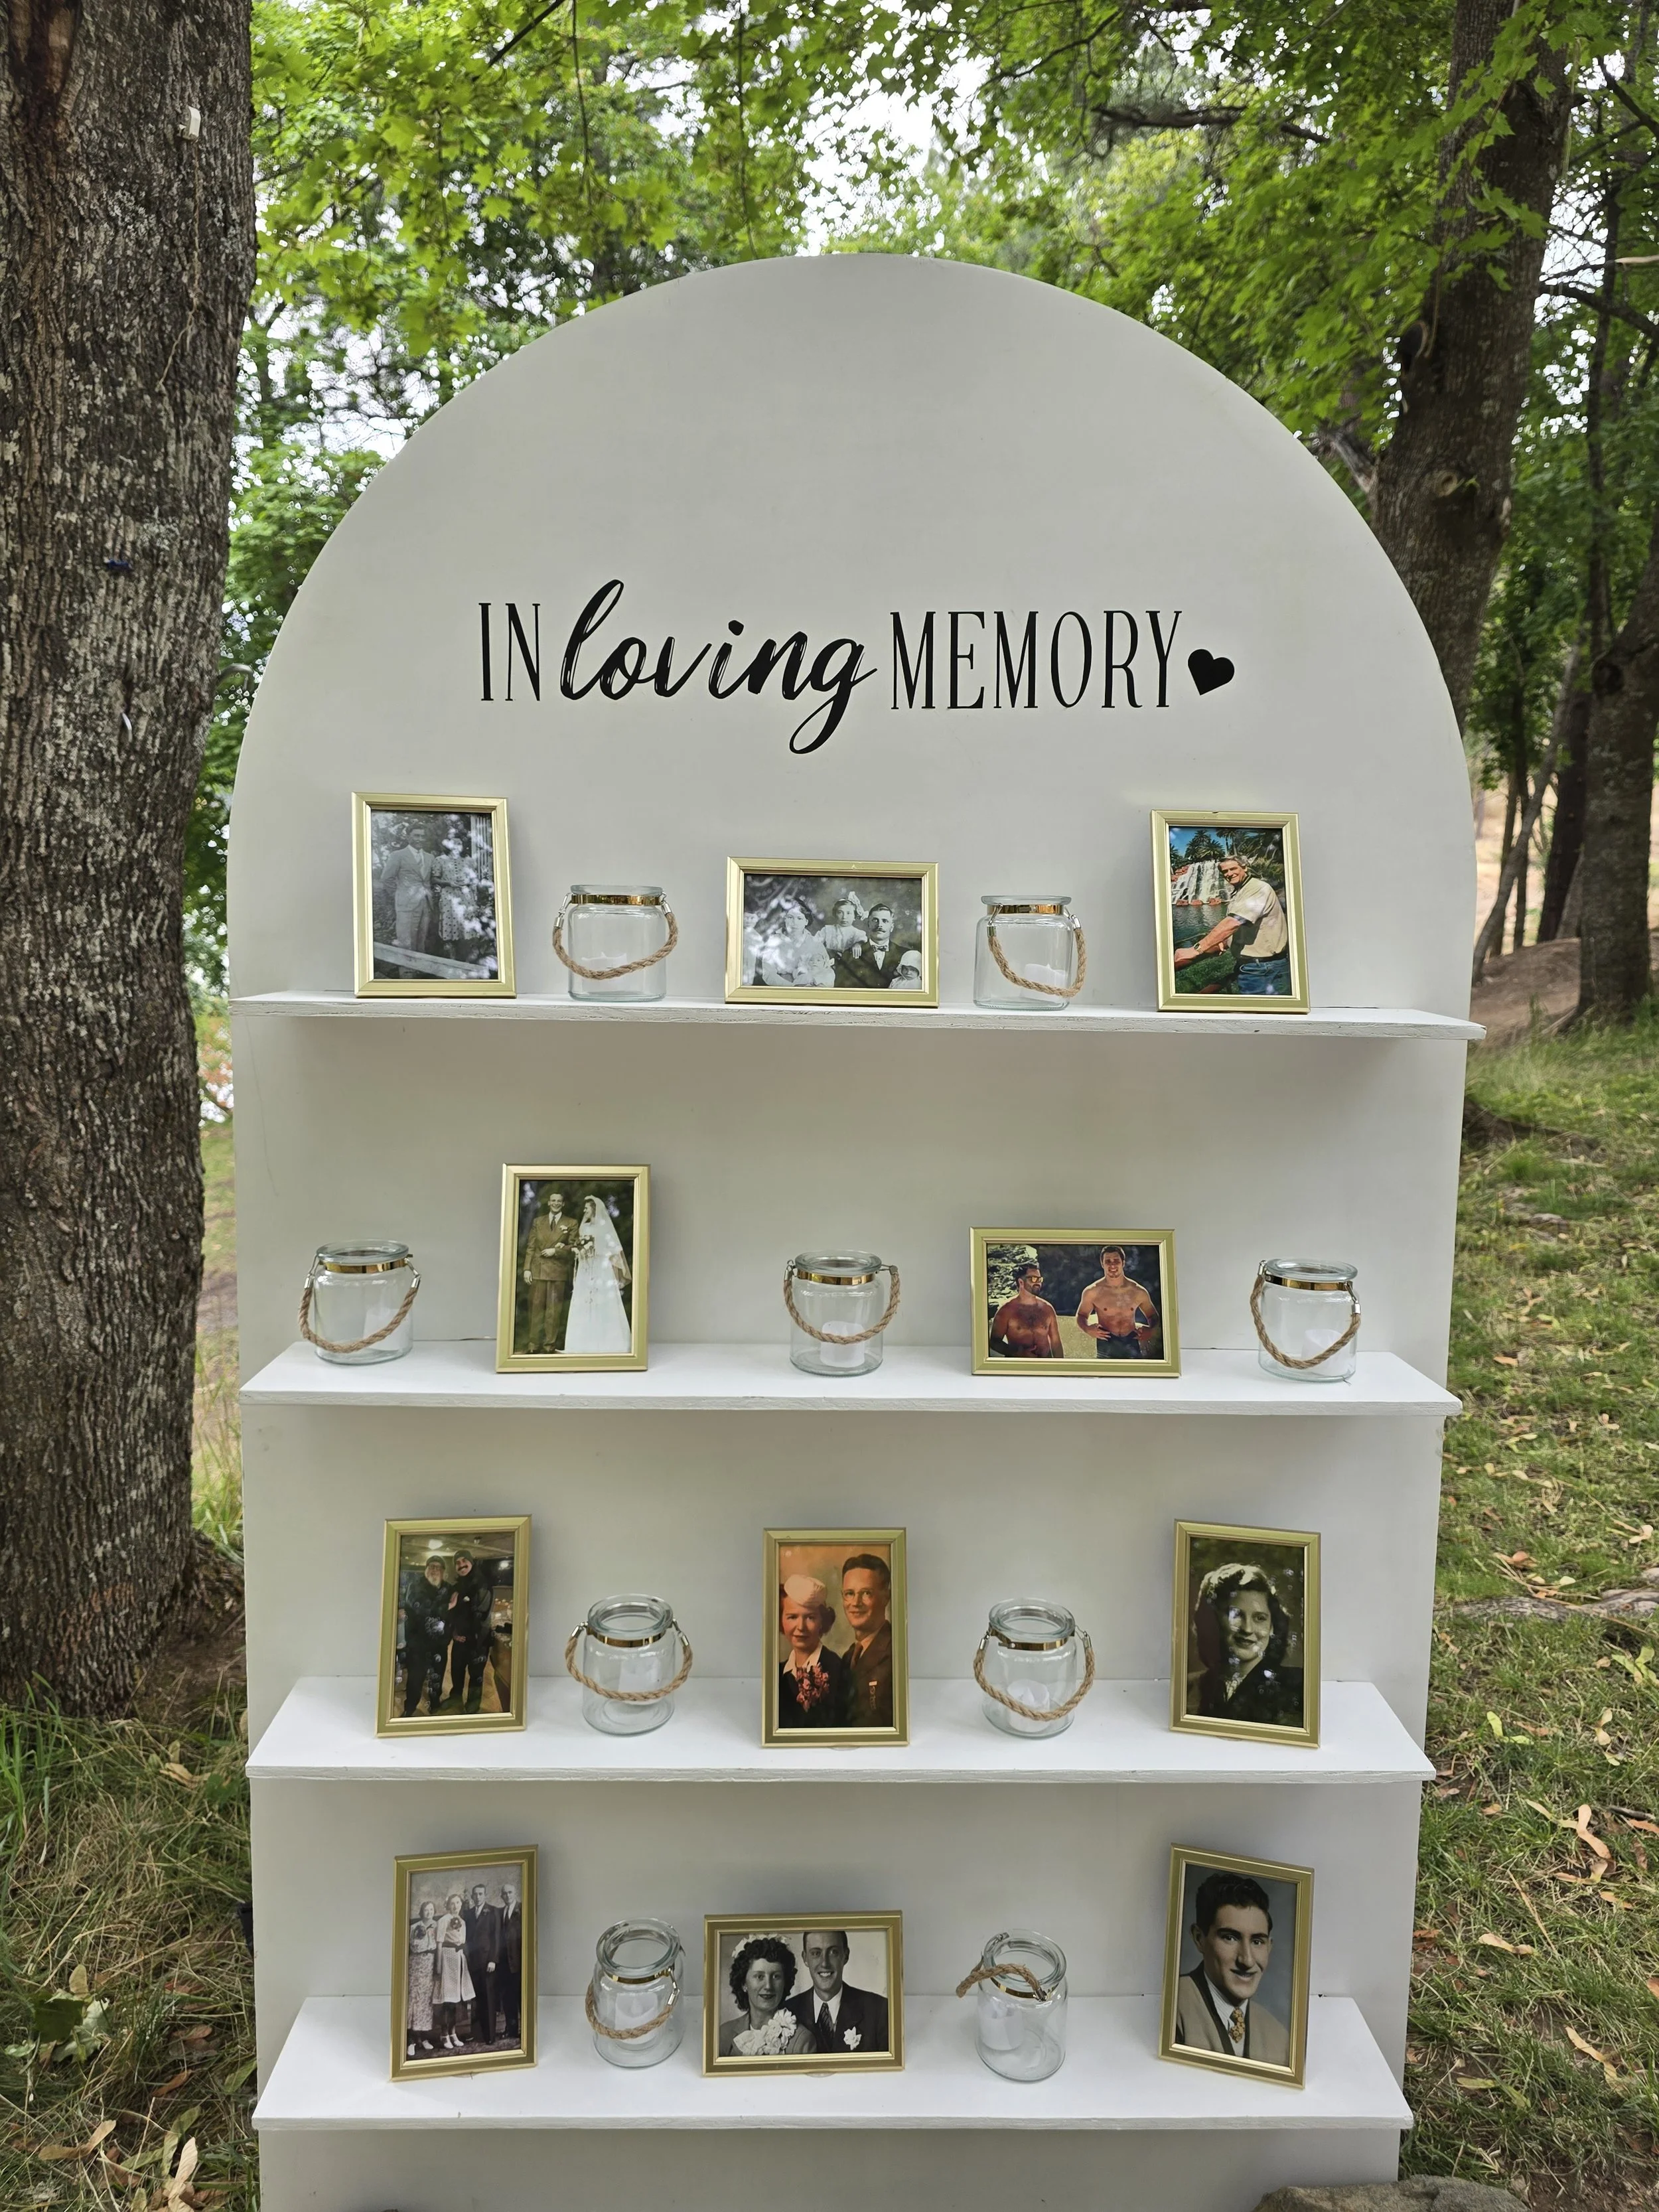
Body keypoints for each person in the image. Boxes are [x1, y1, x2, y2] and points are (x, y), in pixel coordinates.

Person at [1173, 1870, 1290, 2065]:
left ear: (1269, 1947)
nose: (1247, 1960)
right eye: (1230, 1938)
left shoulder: (1280, 2037)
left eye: (1257, 1942)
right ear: (1199, 1939)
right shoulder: (1174, 2006)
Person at [1189, 1564, 1304, 1728]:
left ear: (1272, 1627)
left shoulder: (1300, 1687)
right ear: (1214, 1620)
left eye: (1260, 1618)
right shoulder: (1187, 1688)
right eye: (1236, 1615)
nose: (1247, 1629)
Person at [1172, 851, 1290, 996]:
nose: (1229, 874)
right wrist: (1225, 941)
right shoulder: (1242, 891)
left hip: (1263, 970)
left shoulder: (1258, 888)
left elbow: (1234, 922)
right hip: (1255, 967)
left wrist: (1196, 950)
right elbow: (1246, 925)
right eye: (1225, 871)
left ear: (1244, 868)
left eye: (1233, 869)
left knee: (1257, 1009)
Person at [786, 1929, 890, 2056]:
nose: (825, 1963)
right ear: (805, 1958)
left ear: (845, 1955)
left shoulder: (879, 2011)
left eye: (833, 1952)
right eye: (816, 1953)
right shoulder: (788, 2012)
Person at [719, 1936, 816, 2057]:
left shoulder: (802, 2041)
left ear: (785, 1983)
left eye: (776, 1977)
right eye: (759, 1977)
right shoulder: (724, 2035)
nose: (768, 1986)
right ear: (744, 1984)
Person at [776, 1574, 848, 1729]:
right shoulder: (777, 1673)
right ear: (781, 1619)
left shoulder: (837, 1669)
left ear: (822, 1621)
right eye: (792, 1617)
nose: (801, 1627)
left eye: (810, 1618)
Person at [565, 1195, 632, 1354]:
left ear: (594, 1209)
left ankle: (608, 1343)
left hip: (600, 1266)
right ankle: (581, 1344)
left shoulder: (605, 1228)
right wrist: (581, 1250)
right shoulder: (584, 1227)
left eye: (587, 1208)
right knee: (585, 1300)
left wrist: (598, 1251)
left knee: (601, 1300)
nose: (585, 1211)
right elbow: (579, 1242)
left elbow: (613, 1249)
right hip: (586, 1266)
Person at [521, 1187, 581, 1355]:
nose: (556, 1203)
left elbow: (575, 1247)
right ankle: (533, 1346)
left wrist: (556, 1251)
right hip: (538, 1270)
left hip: (557, 1271)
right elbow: (531, 1247)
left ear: (563, 1204)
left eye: (559, 1201)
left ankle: (549, 1347)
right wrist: (527, 1269)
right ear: (549, 1203)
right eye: (553, 1201)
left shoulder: (571, 1223)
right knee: (536, 1310)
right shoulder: (538, 1222)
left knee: (553, 1312)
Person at [1075, 1246, 1159, 1358]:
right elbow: (1081, 1315)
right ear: (1102, 1264)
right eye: (1108, 1261)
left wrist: (1152, 1331)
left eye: (1116, 1261)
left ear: (1123, 1263)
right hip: (1106, 1342)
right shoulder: (1092, 1292)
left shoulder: (1138, 1291)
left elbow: (1153, 1316)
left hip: (1131, 1341)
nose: (1113, 1265)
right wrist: (1087, 1329)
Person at [841, 1554, 895, 1728]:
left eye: (866, 1593)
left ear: (886, 1597)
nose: (856, 1603)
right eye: (849, 1594)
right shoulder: (848, 1658)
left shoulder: (895, 1652)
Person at [399, 1554, 451, 1718]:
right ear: (426, 1570)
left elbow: (455, 1615)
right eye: (431, 1566)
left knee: (437, 1677)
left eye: (438, 1567)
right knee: (416, 1679)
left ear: (443, 1571)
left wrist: (448, 1636)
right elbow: (422, 1608)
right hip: (418, 1644)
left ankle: (435, 1703)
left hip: (439, 1644)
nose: (434, 1570)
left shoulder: (449, 1589)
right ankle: (410, 1707)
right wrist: (447, 1606)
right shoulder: (415, 1587)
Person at [444, 1550, 495, 1714]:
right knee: (457, 1671)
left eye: (464, 1561)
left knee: (476, 1675)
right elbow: (452, 1614)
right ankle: (455, 1697)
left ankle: (473, 1705)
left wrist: (472, 1640)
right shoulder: (457, 1587)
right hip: (460, 1640)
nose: (461, 1565)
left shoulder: (482, 1585)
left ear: (471, 1562)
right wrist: (454, 1633)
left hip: (479, 1641)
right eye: (457, 1563)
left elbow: (481, 1617)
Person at [988, 1258, 1064, 1359]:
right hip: (1019, 1366)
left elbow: (1056, 1343)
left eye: (1040, 1279)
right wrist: (1017, 1352)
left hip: (1045, 1364)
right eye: (1033, 1279)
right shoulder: (1006, 1311)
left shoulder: (1048, 1309)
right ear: (1021, 1282)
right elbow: (994, 1342)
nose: (1038, 1283)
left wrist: (1060, 1366)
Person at [832, 900, 910, 988]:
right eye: (875, 920)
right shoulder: (849, 956)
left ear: (891, 927)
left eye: (885, 921)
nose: (879, 925)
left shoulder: (906, 955)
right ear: (869, 924)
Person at [433, 1893, 476, 2052]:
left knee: (457, 2000)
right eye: (452, 1903)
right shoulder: (443, 1921)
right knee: (447, 2000)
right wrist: (439, 1967)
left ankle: (453, 2033)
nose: (455, 1906)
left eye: (458, 1903)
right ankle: (444, 2035)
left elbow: (462, 1942)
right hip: (447, 1959)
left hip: (459, 1960)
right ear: (448, 1905)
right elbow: (439, 1944)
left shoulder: (463, 1922)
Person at [465, 1881, 500, 2046]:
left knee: (488, 1999)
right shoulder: (468, 1913)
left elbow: (496, 1937)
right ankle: (477, 2033)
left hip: (487, 1962)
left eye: (481, 1894)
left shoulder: (493, 1911)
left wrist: (493, 1959)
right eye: (475, 1894)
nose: (478, 1897)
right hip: (472, 1961)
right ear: (472, 1896)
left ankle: (490, 2035)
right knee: (476, 1998)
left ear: (485, 1895)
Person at [405, 1899, 439, 2057]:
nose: (429, 1912)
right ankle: (412, 2041)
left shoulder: (437, 1926)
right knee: (414, 2001)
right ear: (421, 1912)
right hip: (416, 1966)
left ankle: (424, 2038)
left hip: (430, 1966)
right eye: (426, 1910)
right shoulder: (414, 1927)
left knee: (426, 2002)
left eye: (431, 1910)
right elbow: (411, 1947)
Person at [496, 1878, 522, 2043]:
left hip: (520, 1963)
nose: (507, 1896)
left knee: (521, 1997)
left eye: (510, 1892)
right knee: (508, 1999)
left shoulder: (523, 1910)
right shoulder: (499, 1913)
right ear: (501, 1896)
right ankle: (511, 2030)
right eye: (505, 1893)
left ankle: (525, 2030)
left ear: (515, 1893)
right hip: (504, 1965)